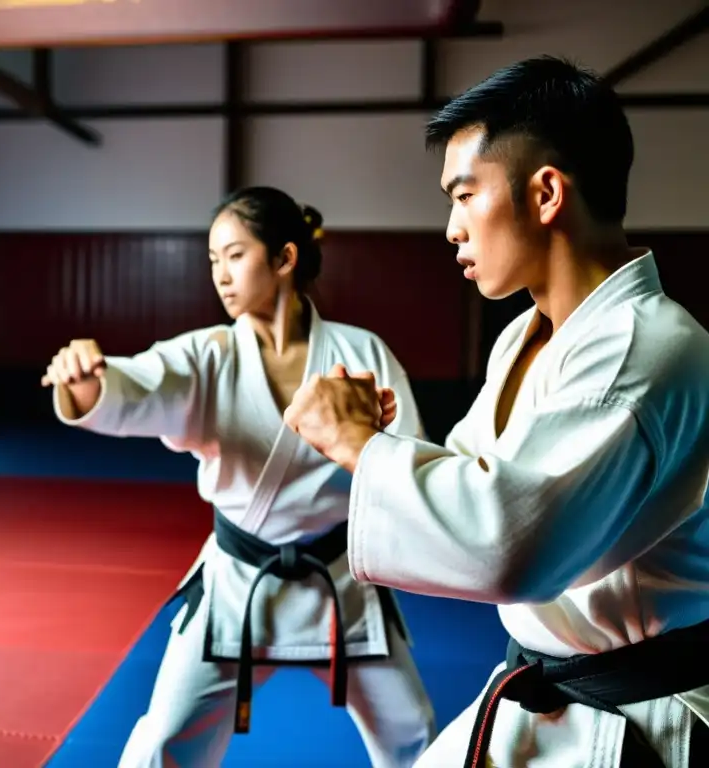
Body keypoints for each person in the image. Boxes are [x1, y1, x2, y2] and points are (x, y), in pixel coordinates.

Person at [282, 56, 709, 767]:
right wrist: (386, 441)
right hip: (547, 689)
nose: (451, 228)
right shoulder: (529, 333)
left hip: (637, 718)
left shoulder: (644, 351)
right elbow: (479, 474)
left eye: (464, 195)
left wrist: (362, 445)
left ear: (545, 193)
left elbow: (511, 546)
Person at [41, 186, 436, 767]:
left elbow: (412, 462)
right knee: (162, 740)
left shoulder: (359, 353)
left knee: (415, 733)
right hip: (237, 580)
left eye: (234, 255)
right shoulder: (208, 354)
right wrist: (86, 382)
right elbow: (138, 381)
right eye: (212, 261)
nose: (219, 275)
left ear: (284, 259)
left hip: (340, 583)